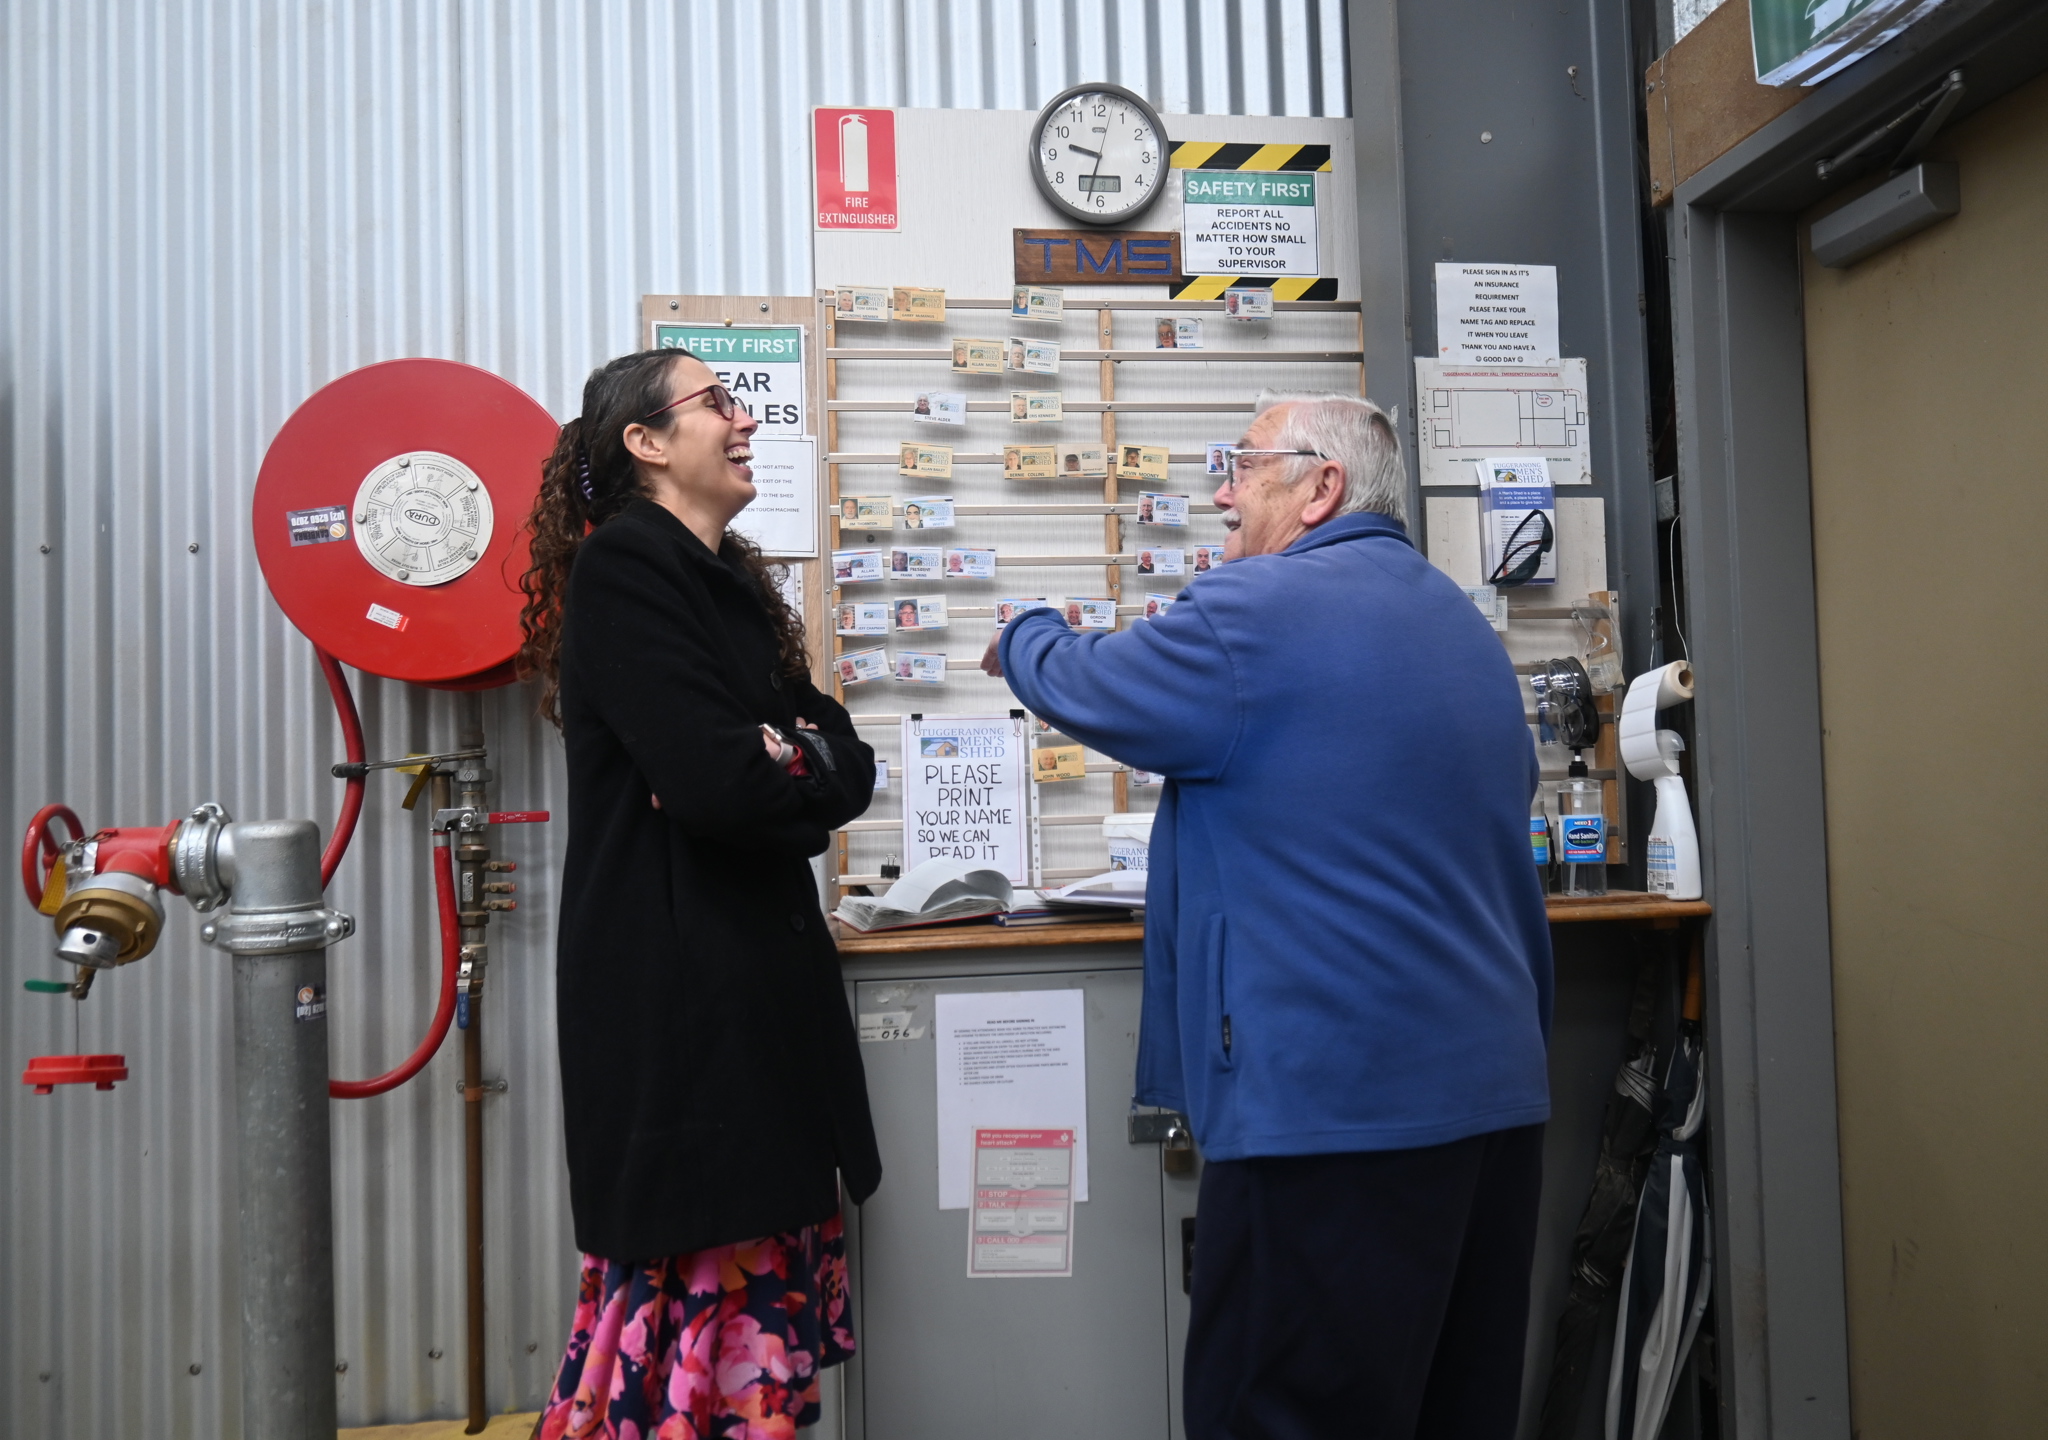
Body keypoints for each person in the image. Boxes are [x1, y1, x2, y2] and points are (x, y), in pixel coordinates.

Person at [982, 391, 1551, 1440]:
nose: (1221, 493)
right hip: (1493, 1108)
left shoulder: (1255, 612)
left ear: (1320, 486)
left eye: (1241, 466)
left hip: (1330, 1113)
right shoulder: (1460, 625)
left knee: (1279, 1414)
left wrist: (1023, 632)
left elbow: (1087, 681)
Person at [518, 348, 881, 1439]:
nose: (744, 420)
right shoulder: (628, 570)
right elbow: (719, 783)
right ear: (645, 441)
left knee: (743, 1380)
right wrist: (780, 767)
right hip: (684, 1024)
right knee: (688, 1376)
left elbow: (847, 761)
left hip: (751, 1012)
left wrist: (789, 761)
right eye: (716, 402)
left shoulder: (728, 582)